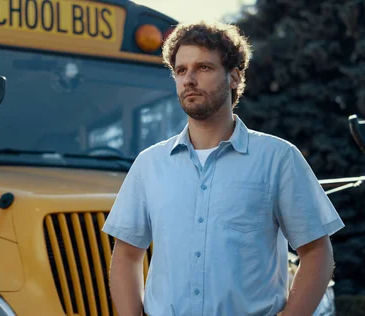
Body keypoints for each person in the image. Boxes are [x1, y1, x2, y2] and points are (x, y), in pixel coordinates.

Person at [101, 21, 345, 316]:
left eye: (203, 68)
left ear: (234, 77)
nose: (189, 79)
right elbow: (127, 255)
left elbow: (317, 251)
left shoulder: (278, 158)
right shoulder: (149, 164)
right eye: (180, 70)